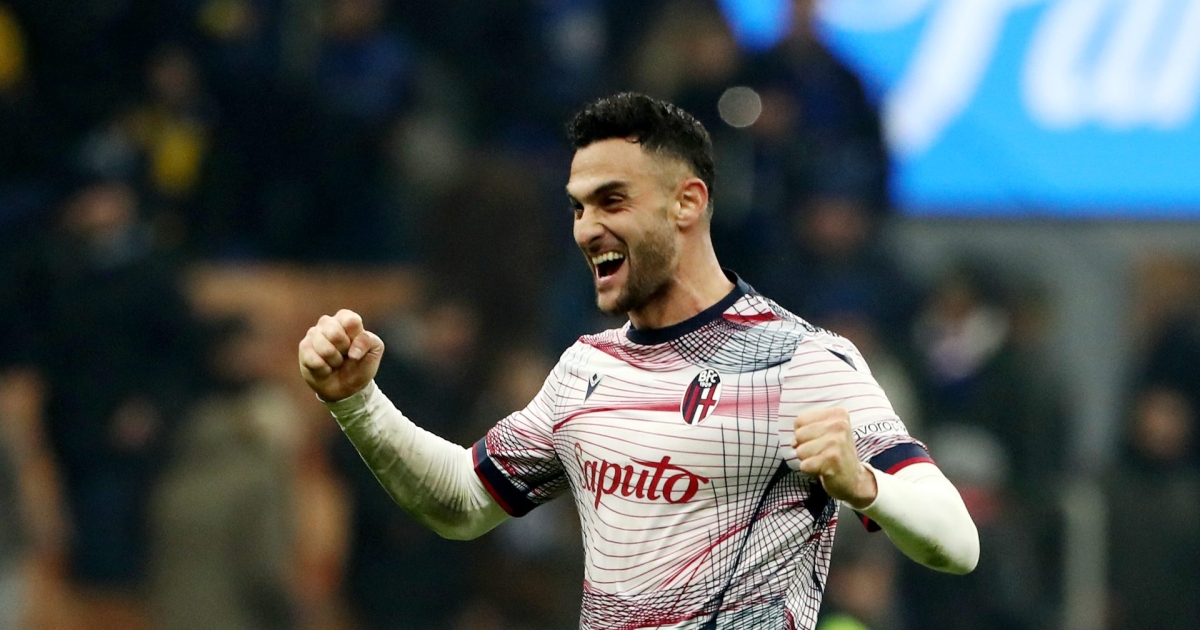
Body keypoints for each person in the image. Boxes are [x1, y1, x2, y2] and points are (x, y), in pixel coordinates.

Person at [298, 93, 978, 629]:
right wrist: (357, 402)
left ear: (688, 203)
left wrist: (865, 484)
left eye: (612, 201)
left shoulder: (800, 361)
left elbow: (957, 541)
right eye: (578, 207)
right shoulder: (585, 371)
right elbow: (462, 503)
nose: (587, 228)